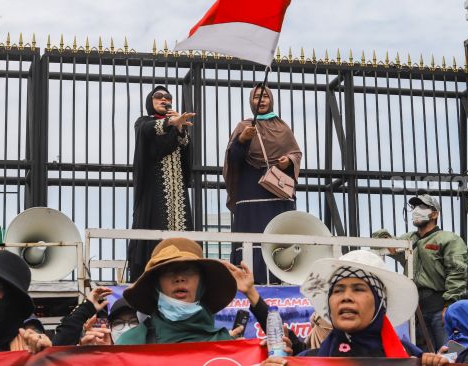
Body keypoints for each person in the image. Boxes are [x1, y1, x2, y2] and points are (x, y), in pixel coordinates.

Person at [263, 250, 421, 365]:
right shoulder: (306, 361)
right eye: (338, 290)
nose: (346, 297)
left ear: (380, 303)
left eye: (359, 289)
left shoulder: (413, 358)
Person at [223, 84, 302, 283]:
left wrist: (288, 161)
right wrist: (242, 140)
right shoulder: (244, 126)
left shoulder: (282, 127)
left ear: (271, 99)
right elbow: (233, 160)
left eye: (265, 96)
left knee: (277, 237)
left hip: (277, 193)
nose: (261, 100)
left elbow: (296, 153)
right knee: (253, 237)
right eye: (257, 97)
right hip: (251, 191)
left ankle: (278, 278)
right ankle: (250, 279)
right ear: (251, 102)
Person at [372, 194, 468, 351]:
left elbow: (457, 272)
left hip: (439, 307)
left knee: (446, 352)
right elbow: (380, 243)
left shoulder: (448, 239)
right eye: (414, 207)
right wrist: (384, 236)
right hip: (413, 309)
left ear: (435, 214)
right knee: (420, 355)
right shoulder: (408, 240)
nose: (417, 211)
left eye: (423, 207)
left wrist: (449, 305)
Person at [128, 86, 196, 282]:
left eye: (168, 97)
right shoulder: (144, 122)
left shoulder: (175, 128)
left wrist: (180, 128)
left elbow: (185, 157)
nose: (164, 99)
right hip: (153, 193)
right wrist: (170, 122)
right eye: (158, 96)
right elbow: (149, 136)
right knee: (153, 234)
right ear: (150, 101)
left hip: (178, 195)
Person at [117, 237, 237, 344]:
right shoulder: (131, 344)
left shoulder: (226, 347)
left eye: (188, 270)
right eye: (169, 271)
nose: (179, 278)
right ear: (156, 286)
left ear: (202, 283)